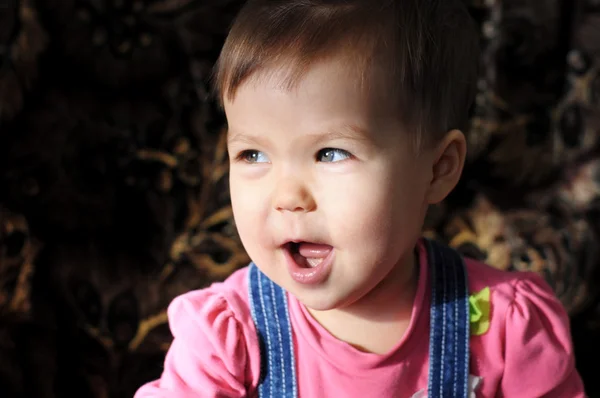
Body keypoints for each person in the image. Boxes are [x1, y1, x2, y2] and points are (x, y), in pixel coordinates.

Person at [135, 0, 586, 396]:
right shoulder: (228, 340)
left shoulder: (505, 328)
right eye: (253, 153)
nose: (288, 196)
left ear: (438, 168)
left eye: (330, 153)